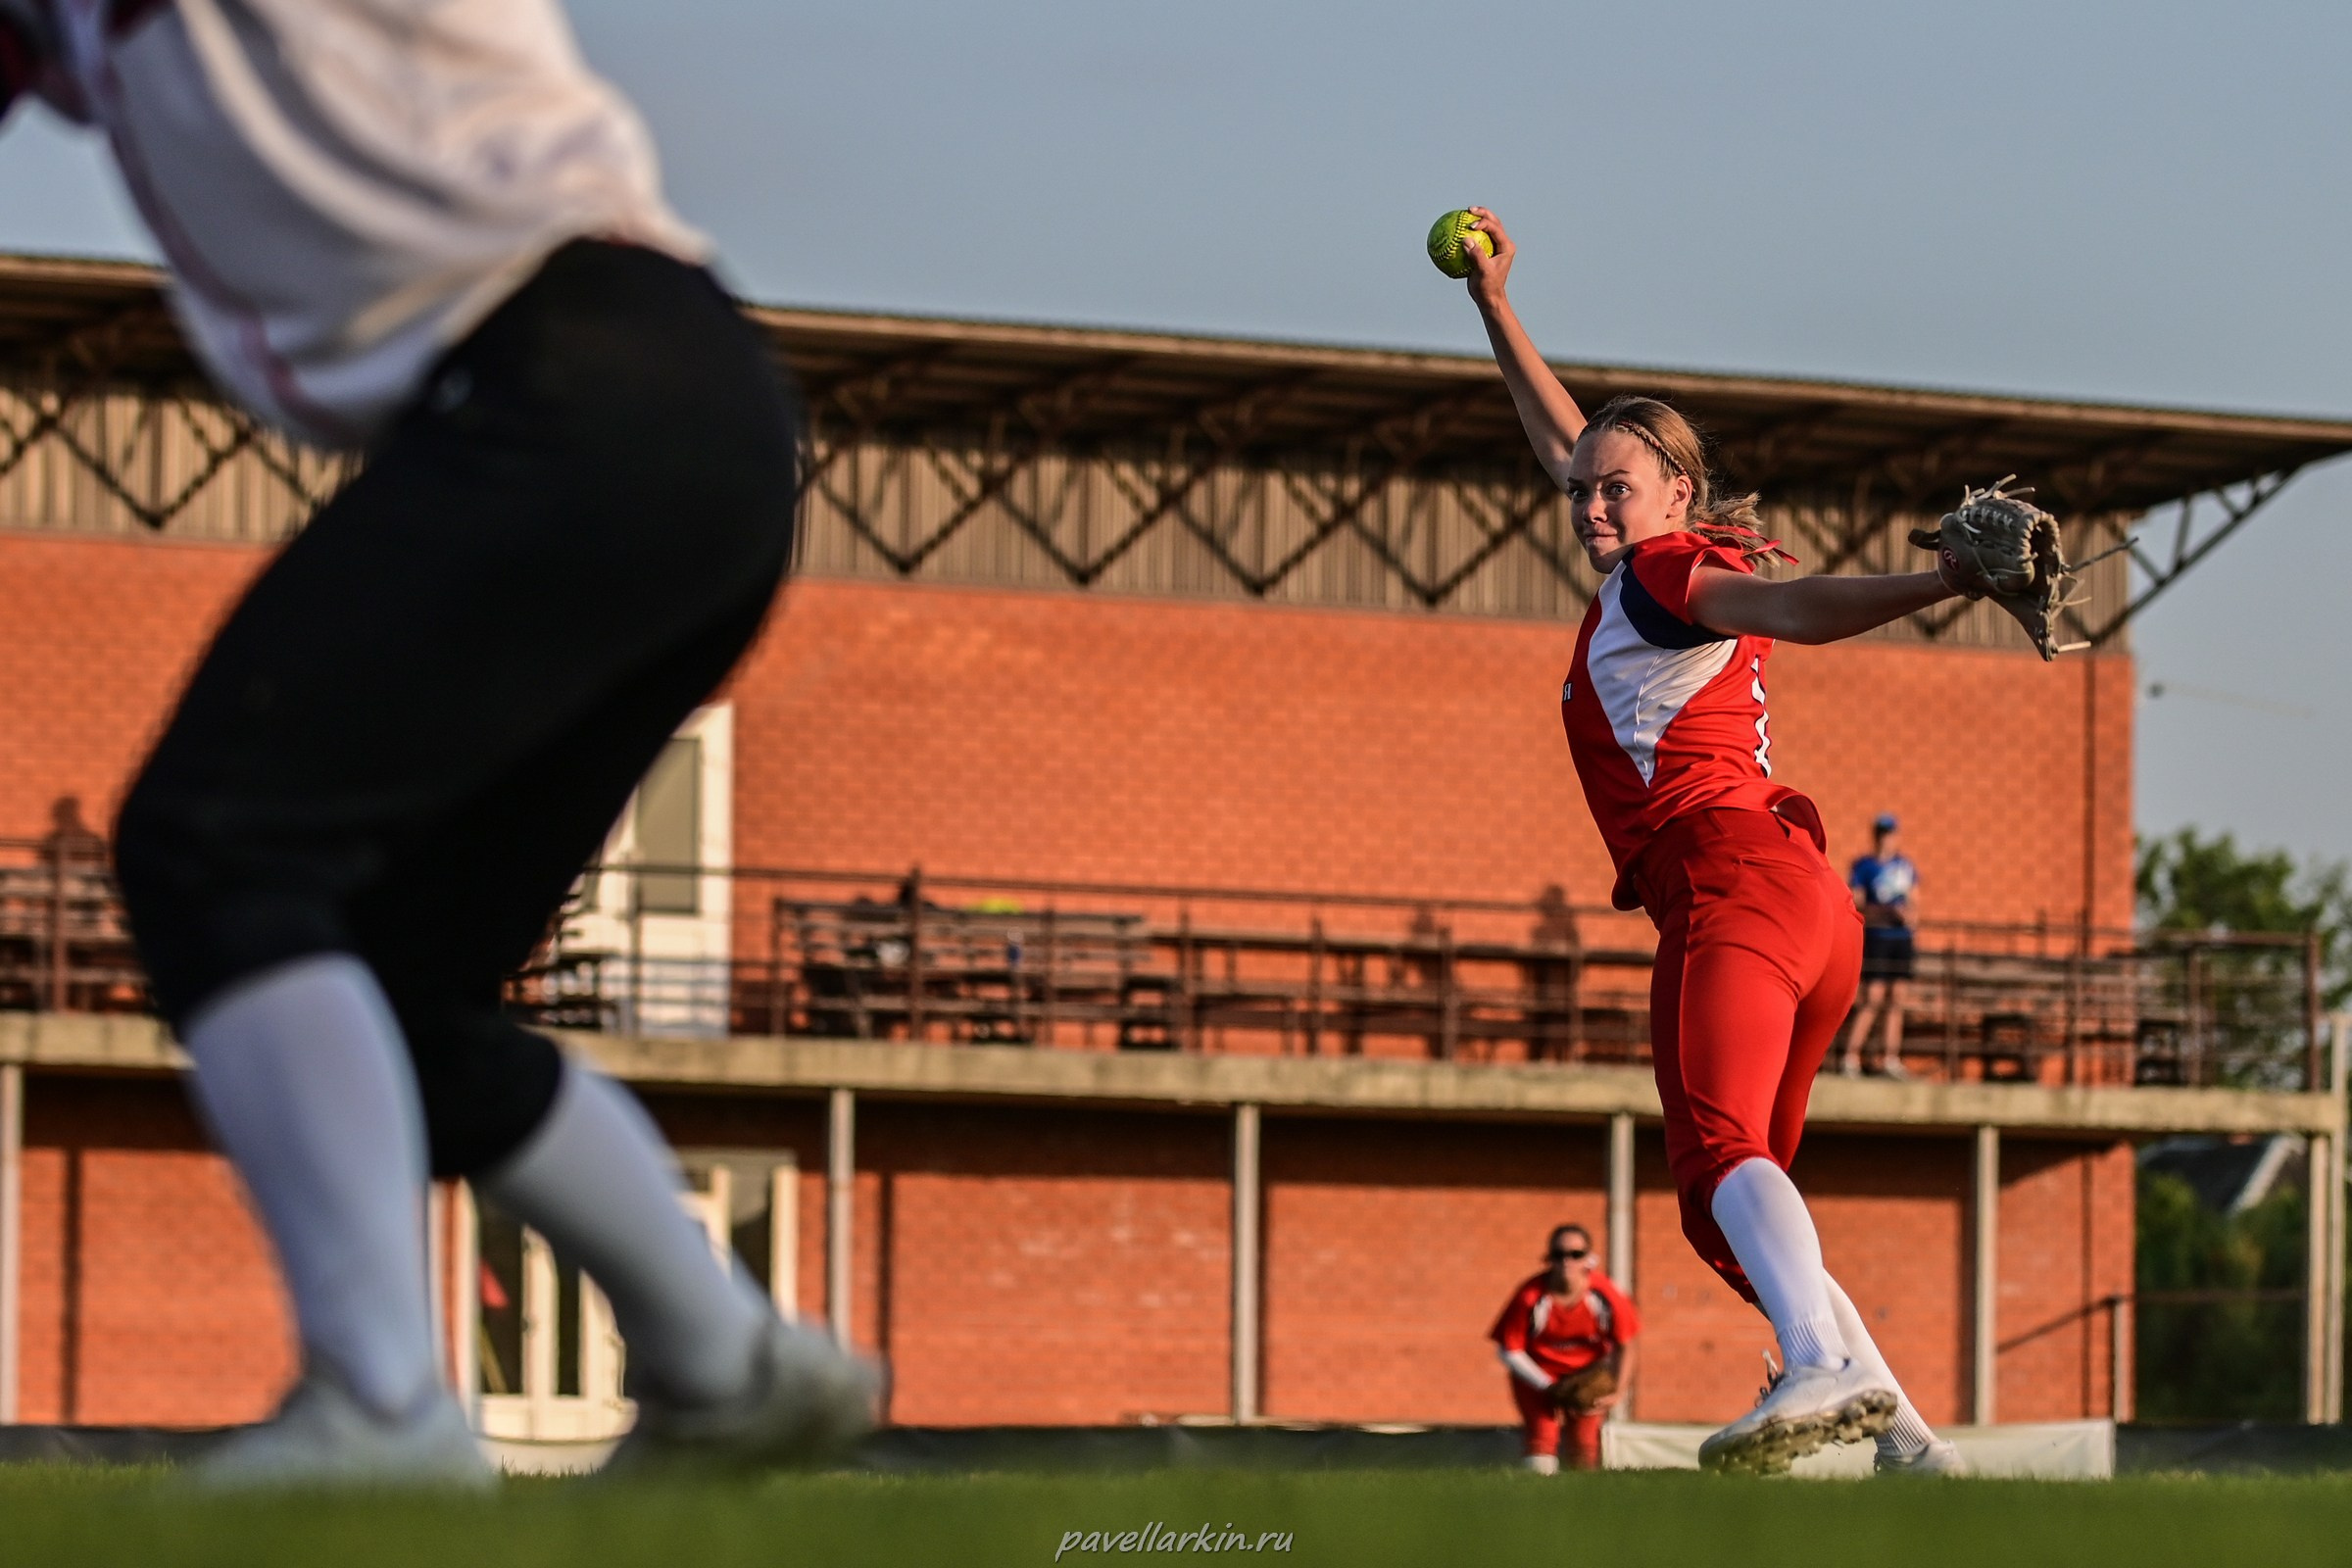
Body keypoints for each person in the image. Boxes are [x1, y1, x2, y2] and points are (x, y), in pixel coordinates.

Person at [0, 0, 872, 1486]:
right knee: (392, 990)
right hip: (672, 412)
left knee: (220, 845)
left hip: (564, 377)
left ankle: (383, 1405)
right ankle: (730, 1369)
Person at [1455, 208, 1965, 1477]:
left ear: (1678, 492)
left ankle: (1820, 1367)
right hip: (1809, 911)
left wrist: (1942, 581)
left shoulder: (1662, 574)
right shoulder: (1650, 561)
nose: (1587, 506)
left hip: (1729, 885)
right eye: (1583, 493)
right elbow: (1569, 441)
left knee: (1718, 1161)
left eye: (1613, 491)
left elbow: (1797, 600)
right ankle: (1908, 1443)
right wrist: (1493, 306)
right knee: (1748, 1216)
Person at [1490, 1224, 1639, 1474]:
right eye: (1559, 1255)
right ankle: (1538, 1497)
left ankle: (1583, 1500)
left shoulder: (1605, 1295)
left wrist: (1618, 1391)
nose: (1567, 1261)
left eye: (1576, 1254)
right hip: (1536, 1377)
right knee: (1542, 1434)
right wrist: (1548, 1386)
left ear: (1589, 1260)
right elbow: (1509, 1350)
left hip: (1585, 1378)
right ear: (1549, 1259)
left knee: (1584, 1441)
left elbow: (1627, 1343)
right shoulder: (1531, 1296)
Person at [1841, 815, 1918, 1077]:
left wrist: (1907, 915)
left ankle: (1890, 1058)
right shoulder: (1864, 866)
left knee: (1897, 999)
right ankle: (1851, 1056)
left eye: (1890, 833)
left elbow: (1914, 902)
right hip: (1877, 938)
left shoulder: (1905, 867)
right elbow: (1858, 902)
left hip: (1901, 939)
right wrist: (1887, 913)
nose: (1886, 838)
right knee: (1872, 998)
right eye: (1882, 833)